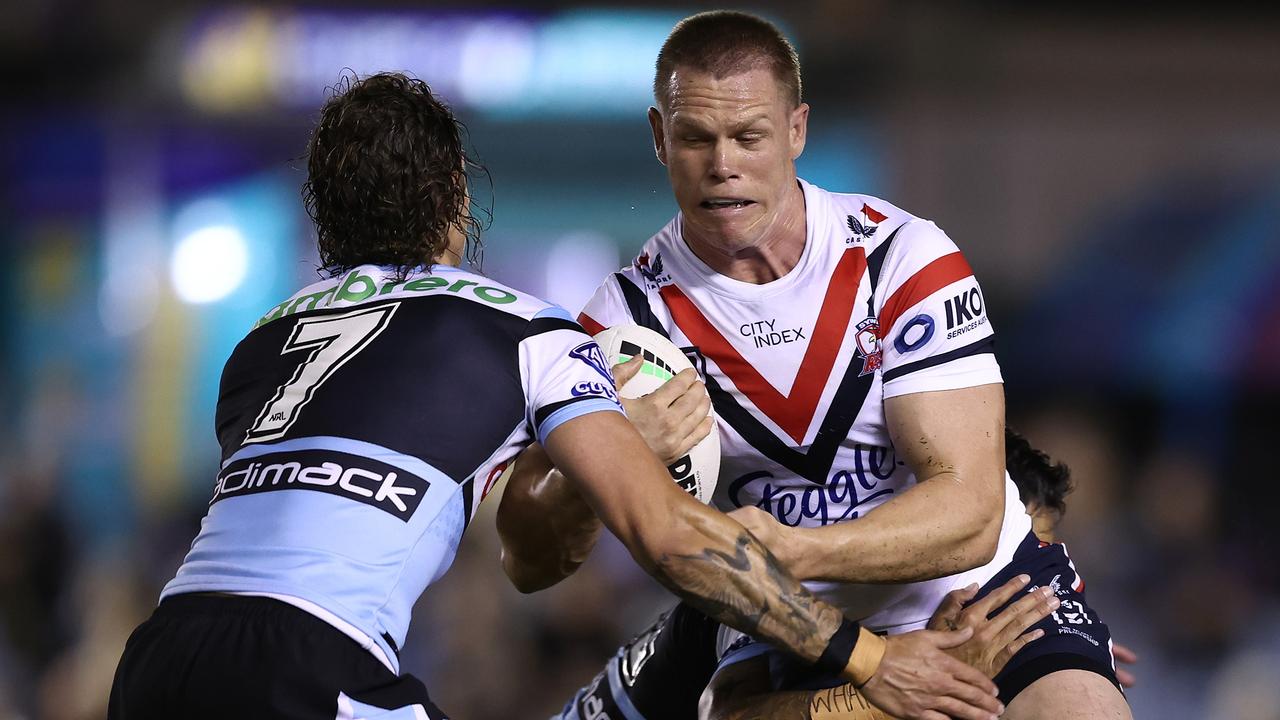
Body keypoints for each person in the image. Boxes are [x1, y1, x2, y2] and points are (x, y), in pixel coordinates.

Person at [106, 72, 1001, 720]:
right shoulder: (523, 330)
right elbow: (672, 538)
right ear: (456, 198)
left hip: (155, 663)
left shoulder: (258, 345)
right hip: (308, 668)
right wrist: (871, 659)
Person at [496, 11, 1130, 720]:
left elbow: (970, 513)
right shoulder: (622, 326)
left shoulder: (903, 260)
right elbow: (528, 561)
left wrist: (791, 553)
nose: (722, 165)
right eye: (696, 138)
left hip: (978, 595)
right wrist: (611, 460)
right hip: (792, 627)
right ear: (658, 138)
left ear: (796, 130)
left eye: (748, 137)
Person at [550, 429, 1138, 720]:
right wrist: (896, 690)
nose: (1042, 578)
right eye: (1030, 544)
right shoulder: (764, 573)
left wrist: (1063, 647)